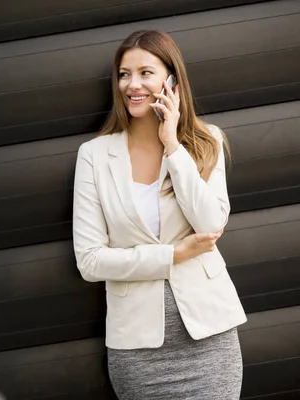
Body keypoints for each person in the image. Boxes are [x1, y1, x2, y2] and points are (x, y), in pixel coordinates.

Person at [72, 30, 247, 399]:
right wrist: (172, 255)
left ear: (172, 81)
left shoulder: (205, 140)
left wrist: (172, 145)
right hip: (137, 348)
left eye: (145, 73)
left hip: (210, 337)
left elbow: (211, 223)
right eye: (124, 74)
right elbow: (90, 261)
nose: (132, 85)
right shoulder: (95, 154)